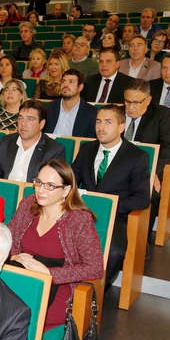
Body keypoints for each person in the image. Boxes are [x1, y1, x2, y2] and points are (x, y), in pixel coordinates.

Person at [8, 159, 103, 328]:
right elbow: (8, 239)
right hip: (23, 276)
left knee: (23, 318)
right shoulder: (28, 204)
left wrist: (50, 273)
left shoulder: (79, 219)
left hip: (58, 285)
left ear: (66, 190)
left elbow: (95, 268)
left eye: (50, 186)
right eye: (39, 182)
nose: (41, 190)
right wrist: (14, 256)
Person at [71, 105, 150, 288]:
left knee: (114, 251)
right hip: (83, 213)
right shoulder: (87, 149)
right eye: (98, 122)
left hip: (116, 217)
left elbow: (142, 198)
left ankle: (94, 291)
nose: (101, 127)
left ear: (121, 127)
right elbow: (71, 180)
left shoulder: (136, 156)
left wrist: (109, 206)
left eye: (108, 122)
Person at [123, 79, 170, 236]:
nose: (130, 107)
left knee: (150, 191)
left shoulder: (161, 114)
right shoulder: (116, 113)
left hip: (144, 169)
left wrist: (152, 170)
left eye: (136, 102)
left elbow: (169, 147)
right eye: (127, 101)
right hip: (117, 167)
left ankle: (141, 240)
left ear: (148, 100)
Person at [0, 99, 66, 181]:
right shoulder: (5, 142)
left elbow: (51, 184)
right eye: (20, 118)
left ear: (41, 124)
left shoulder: (54, 150)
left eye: (30, 119)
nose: (23, 123)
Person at [45, 69, 98, 138]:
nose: (65, 85)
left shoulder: (92, 113)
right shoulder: (47, 108)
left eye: (71, 81)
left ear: (80, 87)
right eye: (63, 81)